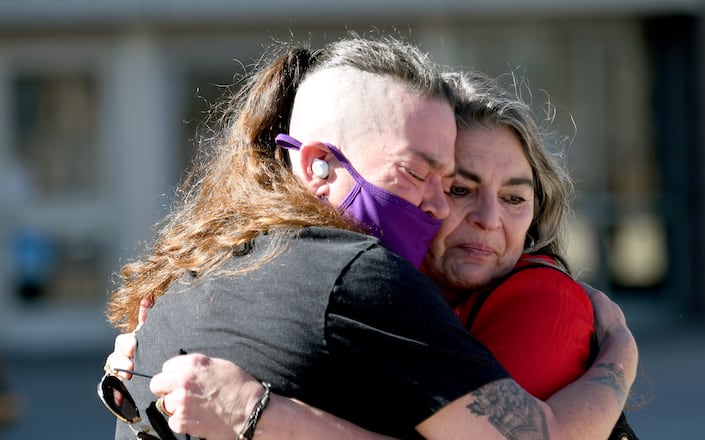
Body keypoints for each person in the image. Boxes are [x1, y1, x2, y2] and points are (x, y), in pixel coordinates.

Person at [104, 35, 638, 440]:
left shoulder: (203, 263)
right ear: (317, 165)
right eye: (450, 184)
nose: (442, 205)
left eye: (516, 197)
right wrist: (619, 358)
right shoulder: (363, 275)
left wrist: (259, 413)